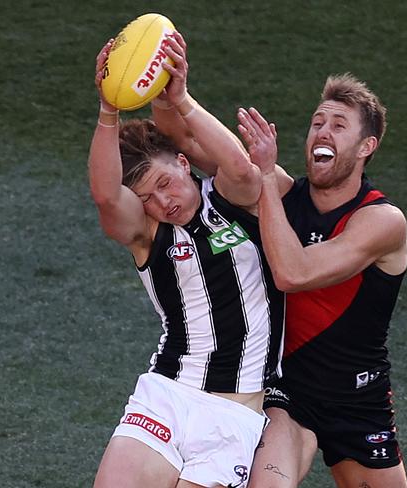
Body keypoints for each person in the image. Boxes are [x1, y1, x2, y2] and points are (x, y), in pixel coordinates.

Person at [88, 31, 284, 488]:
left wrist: (181, 99)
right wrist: (108, 110)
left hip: (235, 413)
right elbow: (104, 194)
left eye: (164, 182)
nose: (163, 201)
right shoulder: (149, 234)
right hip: (168, 394)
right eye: (147, 197)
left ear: (182, 162)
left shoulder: (234, 200)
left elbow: (240, 166)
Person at [236, 74, 407, 487]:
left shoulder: (382, 221)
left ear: (367, 146)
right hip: (289, 393)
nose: (322, 131)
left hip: (358, 401)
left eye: (338, 125)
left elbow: (293, 273)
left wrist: (263, 180)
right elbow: (209, 152)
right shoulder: (283, 194)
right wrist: (178, 101)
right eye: (318, 122)